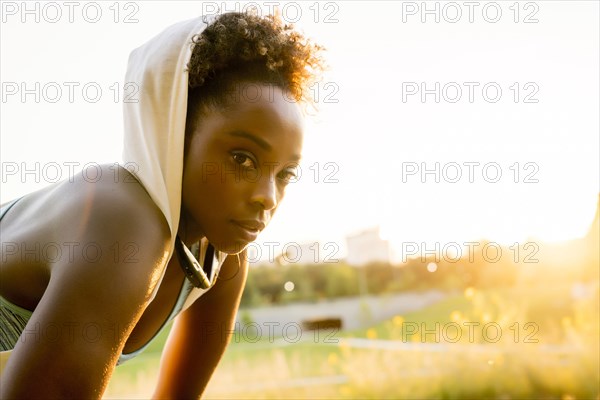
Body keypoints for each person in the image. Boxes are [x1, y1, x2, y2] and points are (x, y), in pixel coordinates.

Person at [0, 11, 324, 398]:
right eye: (242, 159)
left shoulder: (220, 262)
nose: (267, 197)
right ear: (173, 132)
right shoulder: (119, 218)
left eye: (284, 174)